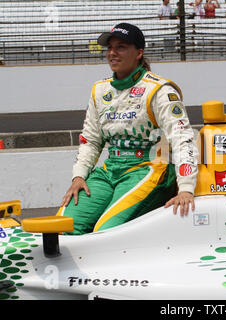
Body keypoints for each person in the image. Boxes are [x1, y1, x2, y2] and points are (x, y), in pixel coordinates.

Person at [57, 23, 198, 235]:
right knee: (62, 227)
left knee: (106, 232)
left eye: (121, 47)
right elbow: (91, 140)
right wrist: (79, 176)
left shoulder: (159, 90)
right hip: (110, 170)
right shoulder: (99, 90)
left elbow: (183, 139)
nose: (112, 53)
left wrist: (186, 188)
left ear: (139, 53)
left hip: (150, 168)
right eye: (110, 47)